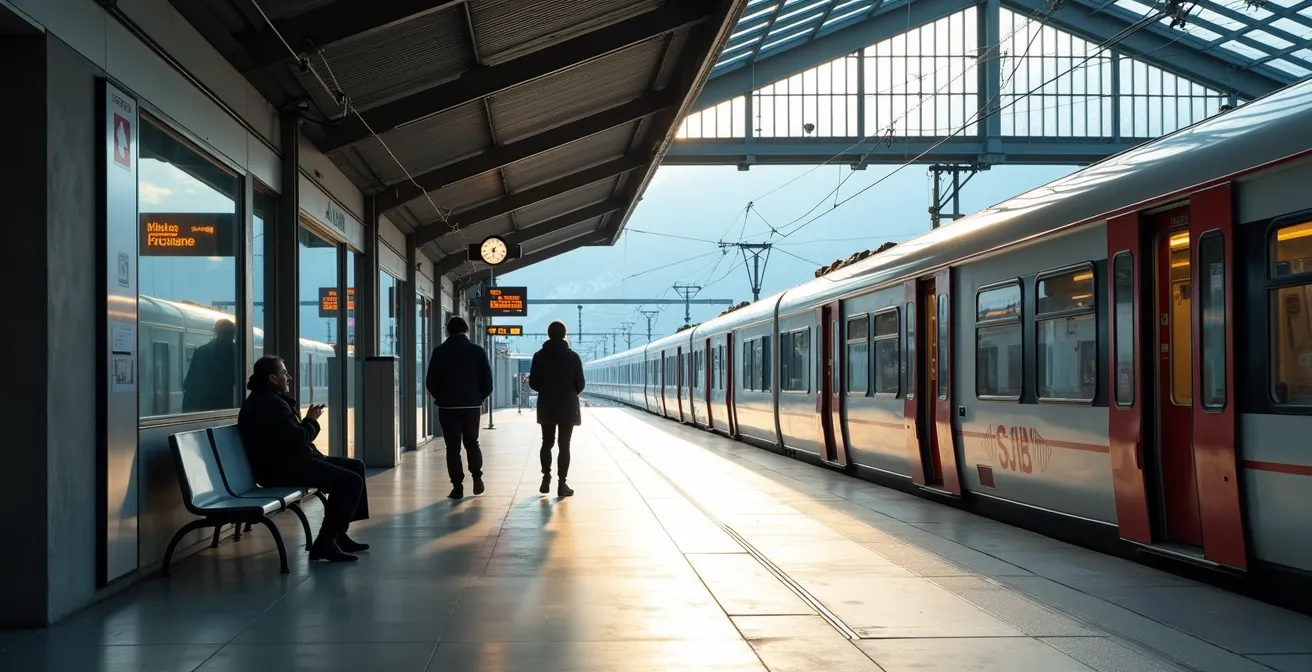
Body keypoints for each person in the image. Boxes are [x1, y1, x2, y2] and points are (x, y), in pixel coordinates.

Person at [238, 355, 370, 563]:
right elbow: (297, 439)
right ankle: (325, 543)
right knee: (350, 481)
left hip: (288, 462)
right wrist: (311, 421)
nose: (288, 377)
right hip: (281, 469)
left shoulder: (268, 400)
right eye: (284, 373)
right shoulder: (269, 404)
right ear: (272, 378)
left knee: (355, 467)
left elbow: (290, 438)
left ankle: (337, 534)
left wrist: (308, 422)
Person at [426, 315, 493, 499]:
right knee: (472, 443)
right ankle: (477, 477)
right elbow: (488, 382)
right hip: (471, 407)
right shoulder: (478, 351)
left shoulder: (439, 352)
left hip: (448, 409)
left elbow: (431, 381)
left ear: (447, 331)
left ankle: (457, 487)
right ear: (466, 330)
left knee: (452, 448)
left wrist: (441, 397)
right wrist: (478, 398)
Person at [529, 320, 585, 497]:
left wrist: (546, 391)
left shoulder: (539, 356)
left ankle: (546, 476)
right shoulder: (573, 357)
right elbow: (581, 384)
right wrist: (569, 392)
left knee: (547, 442)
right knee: (564, 445)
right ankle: (562, 484)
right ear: (564, 335)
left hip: (546, 404)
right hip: (567, 406)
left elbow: (533, 383)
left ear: (548, 334)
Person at [182, 319, 238, 412]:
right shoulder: (239, 353)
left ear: (216, 332)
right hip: (231, 406)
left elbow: (190, 383)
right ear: (234, 334)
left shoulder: (202, 352)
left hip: (205, 407)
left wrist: (187, 409)